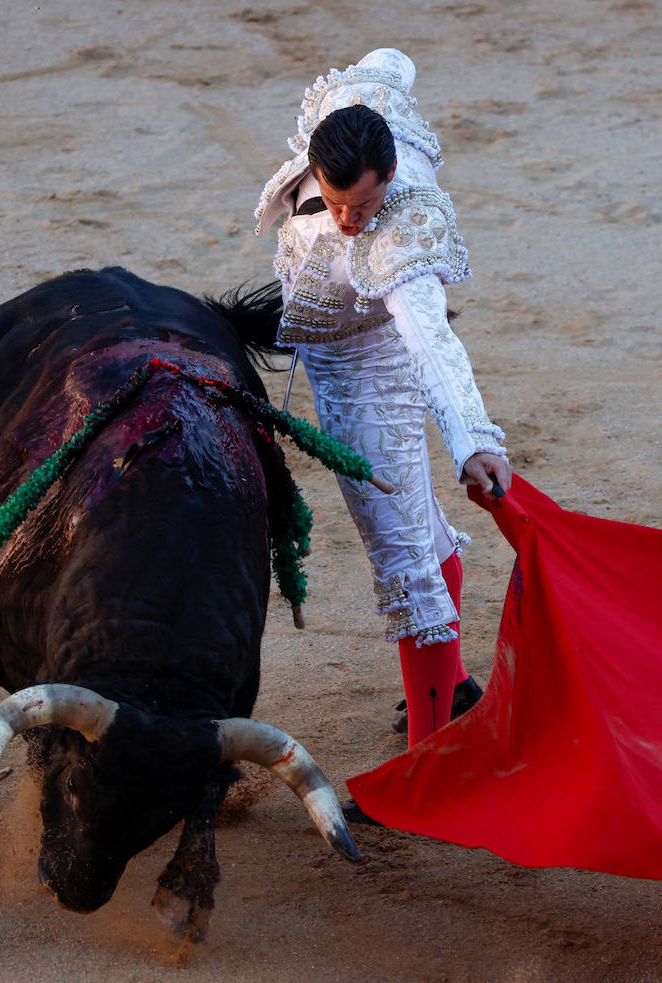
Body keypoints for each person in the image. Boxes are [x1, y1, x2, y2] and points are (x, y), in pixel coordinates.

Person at [255, 49, 513, 751]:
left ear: (389, 175)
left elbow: (431, 341)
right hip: (332, 349)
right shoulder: (353, 119)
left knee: (404, 558)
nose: (346, 219)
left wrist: (472, 441)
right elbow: (390, 64)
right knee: (419, 531)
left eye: (360, 205)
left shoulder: (400, 230)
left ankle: (427, 763)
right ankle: (453, 684)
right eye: (335, 202)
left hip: (367, 366)